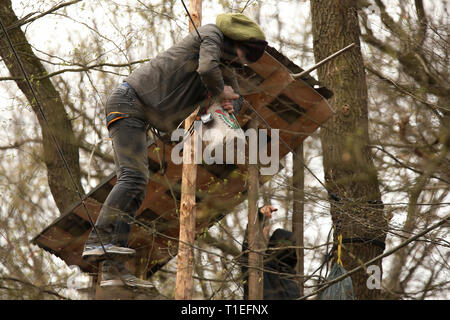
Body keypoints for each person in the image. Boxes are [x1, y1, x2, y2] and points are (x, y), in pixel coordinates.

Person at [81, 13, 268, 289]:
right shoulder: (210, 35)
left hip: (140, 114)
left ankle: (113, 267)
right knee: (132, 178)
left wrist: (232, 105)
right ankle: (98, 240)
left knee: (137, 183)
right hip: (129, 102)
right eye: (243, 54)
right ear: (236, 40)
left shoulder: (224, 65)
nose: (241, 62)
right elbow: (207, 70)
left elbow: (232, 93)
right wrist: (221, 92)